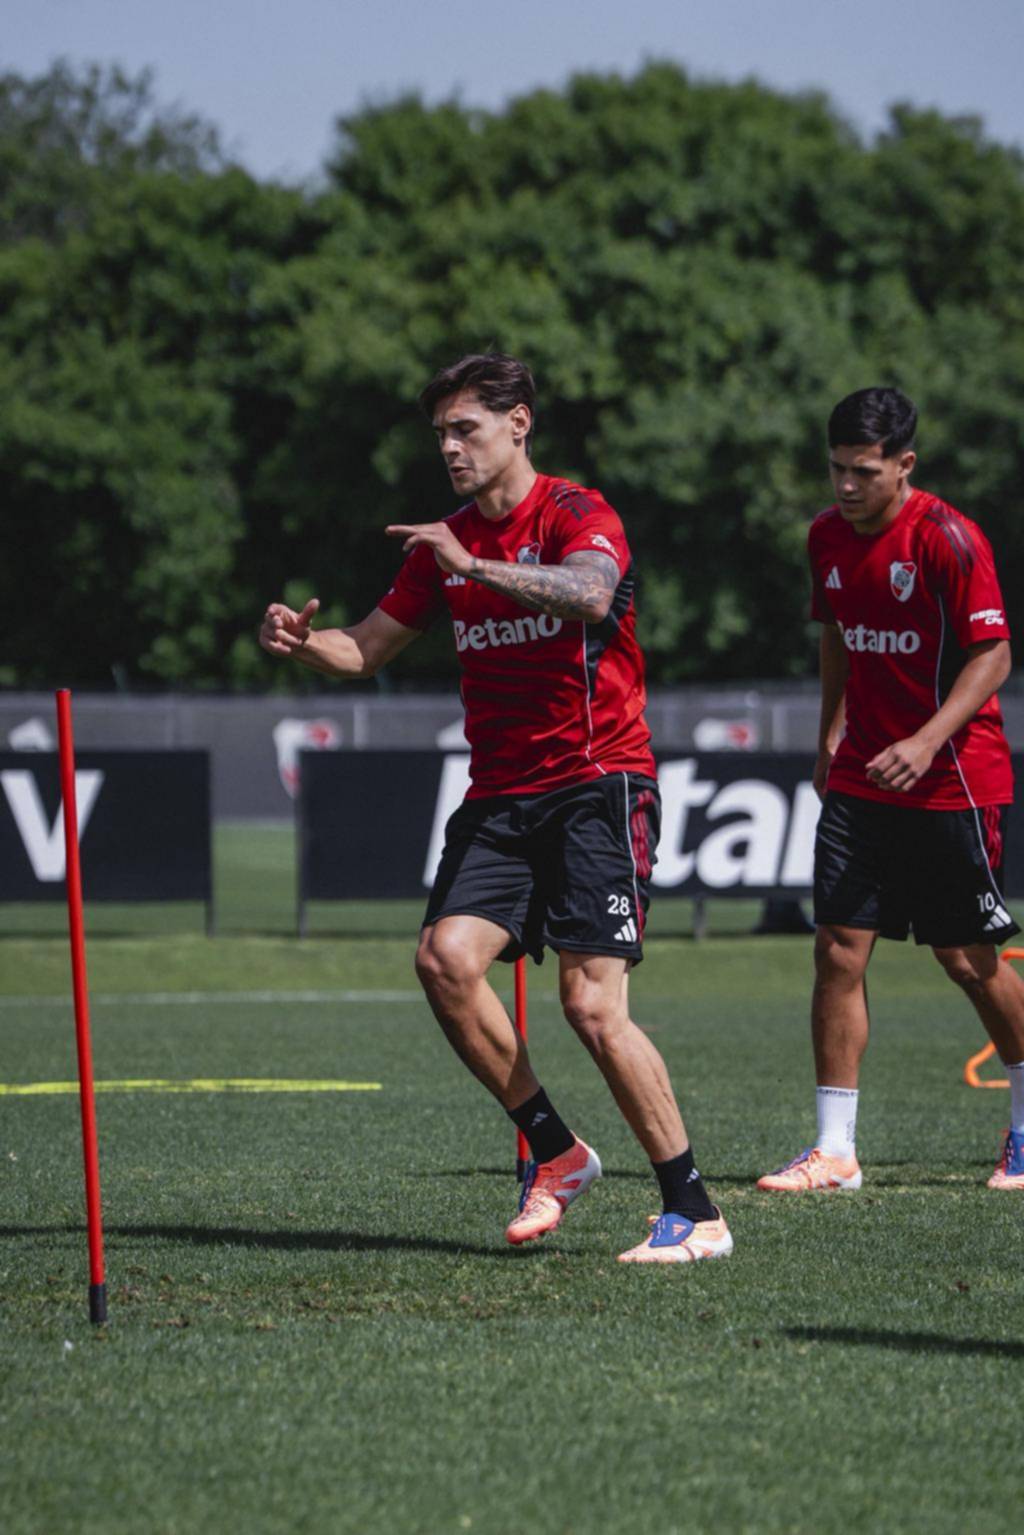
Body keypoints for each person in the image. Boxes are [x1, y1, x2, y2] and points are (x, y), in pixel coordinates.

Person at [259, 352, 731, 1263]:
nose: (448, 447)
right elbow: (365, 648)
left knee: (592, 1008)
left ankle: (697, 1210)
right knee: (443, 959)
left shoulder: (576, 514)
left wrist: (471, 560)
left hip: (600, 783)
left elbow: (592, 595)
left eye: (463, 428)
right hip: (502, 794)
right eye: (440, 433)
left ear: (519, 425)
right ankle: (557, 1151)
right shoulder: (445, 546)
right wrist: (300, 642)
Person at [758, 386, 1024, 1194]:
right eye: (836, 468)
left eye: (864, 471)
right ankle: (835, 1151)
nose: (845, 485)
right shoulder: (826, 538)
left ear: (904, 465)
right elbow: (837, 634)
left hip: (953, 779)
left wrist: (926, 738)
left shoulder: (949, 539)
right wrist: (827, 732)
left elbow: (995, 658)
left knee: (968, 957)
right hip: (862, 778)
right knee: (837, 950)